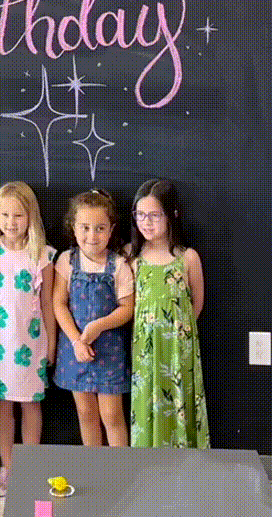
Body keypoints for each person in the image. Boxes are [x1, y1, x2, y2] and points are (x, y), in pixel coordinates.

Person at [0, 181, 56, 497]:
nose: (11, 222)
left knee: (31, 403)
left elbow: (48, 302)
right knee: (3, 403)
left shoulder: (41, 255)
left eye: (18, 215)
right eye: (5, 215)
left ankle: (30, 468)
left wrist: (52, 343)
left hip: (31, 342)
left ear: (30, 217)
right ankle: (8, 466)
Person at [127, 179, 209, 448]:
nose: (146, 222)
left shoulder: (187, 257)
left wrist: (177, 332)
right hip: (145, 350)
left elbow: (196, 304)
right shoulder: (133, 257)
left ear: (172, 215)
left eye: (154, 215)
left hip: (178, 350)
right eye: (140, 215)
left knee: (178, 399)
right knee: (147, 401)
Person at [53, 189, 134, 446]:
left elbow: (127, 307)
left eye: (100, 228)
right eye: (85, 228)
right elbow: (59, 303)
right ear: (73, 228)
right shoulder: (66, 260)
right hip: (76, 349)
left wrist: (99, 326)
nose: (92, 236)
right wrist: (77, 340)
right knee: (86, 413)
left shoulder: (118, 264)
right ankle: (94, 466)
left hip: (109, 351)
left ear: (111, 230)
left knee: (111, 415)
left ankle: (119, 468)